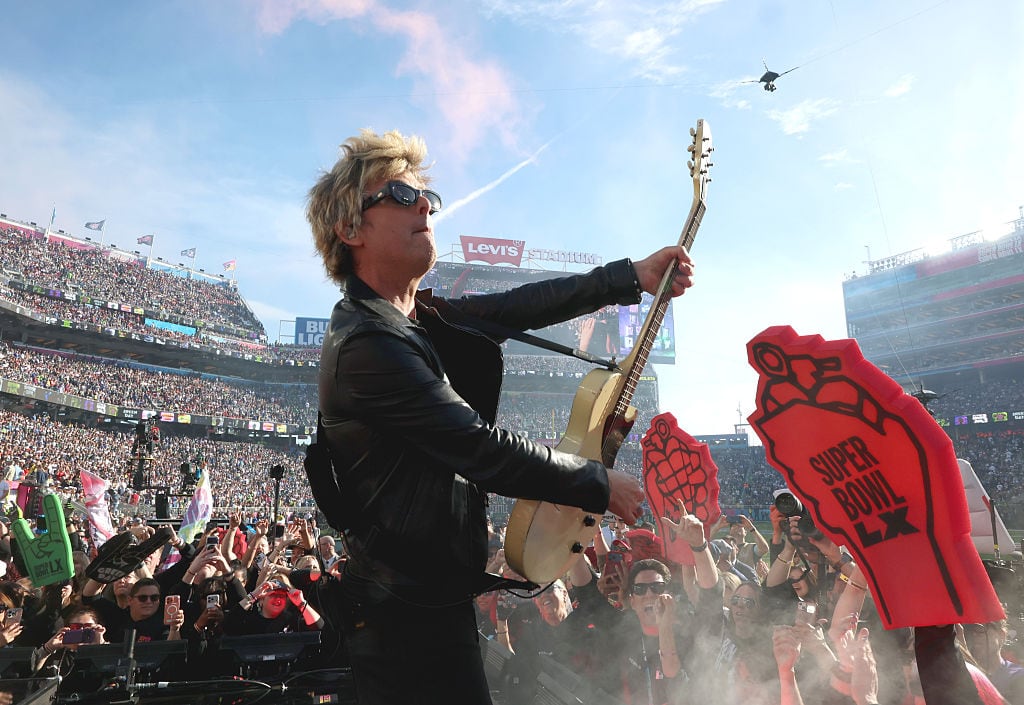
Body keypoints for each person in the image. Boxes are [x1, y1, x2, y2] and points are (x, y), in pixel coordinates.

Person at [306, 128, 695, 705]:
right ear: (350, 228)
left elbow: (518, 307)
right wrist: (596, 483)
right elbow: (480, 450)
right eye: (400, 195)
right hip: (400, 627)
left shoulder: (411, 321)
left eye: (427, 199)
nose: (425, 208)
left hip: (427, 603)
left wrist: (627, 278)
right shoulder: (368, 343)